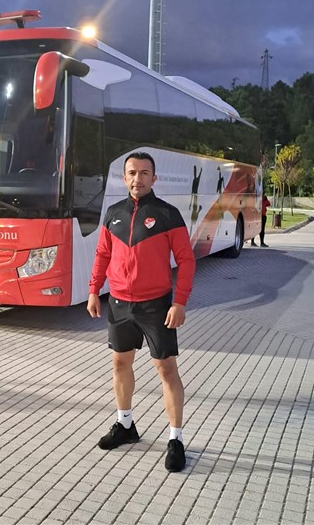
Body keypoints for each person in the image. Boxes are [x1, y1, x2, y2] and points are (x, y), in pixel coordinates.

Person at [87, 152, 196, 472]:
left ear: (154, 178)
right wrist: (94, 290)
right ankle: (125, 425)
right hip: (119, 304)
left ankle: (176, 439)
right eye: (132, 173)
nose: (138, 178)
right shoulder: (113, 213)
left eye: (145, 173)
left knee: (166, 370)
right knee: (120, 363)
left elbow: (186, 260)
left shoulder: (168, 214)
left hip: (156, 306)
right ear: (124, 178)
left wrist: (180, 302)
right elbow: (102, 254)